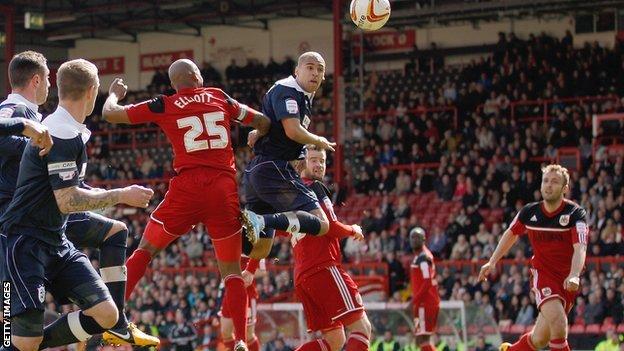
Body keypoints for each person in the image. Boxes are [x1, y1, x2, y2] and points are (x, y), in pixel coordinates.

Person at [102, 58, 271, 351]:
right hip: (222, 188)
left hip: (187, 188)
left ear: (173, 84)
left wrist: (114, 93)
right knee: (231, 271)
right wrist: (255, 135)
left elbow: (110, 114)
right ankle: (242, 341)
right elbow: (262, 121)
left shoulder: (165, 103)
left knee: (144, 251)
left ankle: (112, 320)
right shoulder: (220, 97)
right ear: (198, 77)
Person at [0, 51, 159, 347]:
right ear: (91, 91)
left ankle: (116, 325)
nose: (48, 84)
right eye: (46, 77)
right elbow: (67, 199)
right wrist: (121, 195)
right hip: (19, 237)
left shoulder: (60, 127)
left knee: (106, 309)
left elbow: (66, 191)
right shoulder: (21, 114)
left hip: (53, 233)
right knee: (13, 328)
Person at [253, 145, 371, 351]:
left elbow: (280, 229)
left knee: (334, 341)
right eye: (314, 160)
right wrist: (352, 229)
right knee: (362, 329)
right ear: (302, 162)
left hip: (303, 275)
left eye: (322, 161)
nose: (319, 165)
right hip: (323, 266)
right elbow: (330, 227)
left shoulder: (293, 194)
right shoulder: (314, 189)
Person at [478, 164, 588, 351]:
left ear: (565, 188)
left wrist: (574, 274)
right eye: (546, 181)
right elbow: (511, 233)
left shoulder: (575, 214)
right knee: (559, 324)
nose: (548, 185)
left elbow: (580, 247)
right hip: (543, 274)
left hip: (568, 280)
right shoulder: (529, 212)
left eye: (555, 182)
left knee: (539, 339)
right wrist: (492, 261)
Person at [241, 52, 337, 250]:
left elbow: (271, 121)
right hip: (273, 169)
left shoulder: (300, 96)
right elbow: (293, 131)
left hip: (259, 171)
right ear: (296, 71)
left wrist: (260, 131)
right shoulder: (288, 90)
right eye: (310, 67)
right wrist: (318, 139)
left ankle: (238, 227)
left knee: (259, 251)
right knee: (321, 224)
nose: (315, 73)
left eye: (320, 70)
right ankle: (258, 220)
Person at [220, 257, 262, 351]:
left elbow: (263, 271)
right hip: (229, 292)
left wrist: (245, 273)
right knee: (225, 332)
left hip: (247, 293)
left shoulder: (254, 244)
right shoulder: (227, 244)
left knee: (248, 334)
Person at [410, 227, 440, 351]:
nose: (414, 240)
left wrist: (413, 301)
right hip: (420, 304)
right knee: (419, 339)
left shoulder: (423, 257)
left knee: (423, 339)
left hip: (425, 303)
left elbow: (427, 282)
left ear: (424, 239)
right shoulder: (419, 257)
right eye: (412, 237)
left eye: (417, 237)